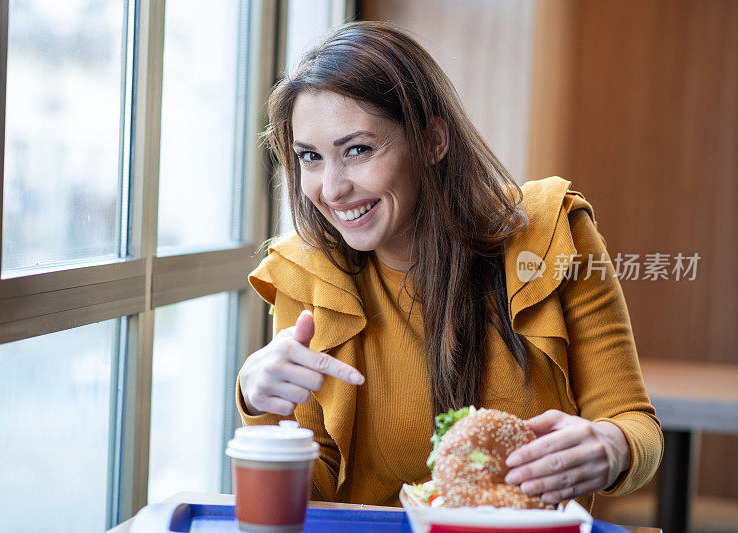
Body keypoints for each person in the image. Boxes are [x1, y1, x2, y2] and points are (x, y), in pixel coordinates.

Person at [236, 20, 662, 510]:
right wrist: (258, 405)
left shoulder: (550, 238)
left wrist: (611, 447)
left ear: (433, 140)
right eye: (310, 157)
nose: (331, 190)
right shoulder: (308, 273)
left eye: (357, 150)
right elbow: (312, 494)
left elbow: (635, 423)